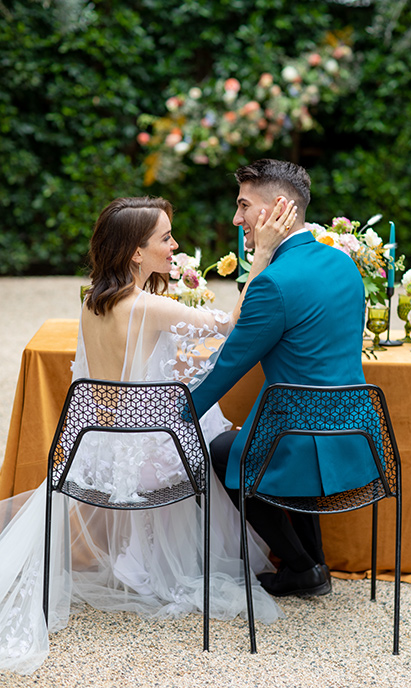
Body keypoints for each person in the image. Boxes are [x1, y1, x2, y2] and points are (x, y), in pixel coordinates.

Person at [0, 194, 297, 675]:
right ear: (136, 252)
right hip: (141, 461)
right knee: (213, 427)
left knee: (198, 414)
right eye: (166, 237)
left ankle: (137, 556)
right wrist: (261, 257)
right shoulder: (147, 305)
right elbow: (232, 325)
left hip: (95, 451)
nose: (175, 245)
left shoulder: (94, 302)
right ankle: (153, 559)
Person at [190, 159, 380, 598]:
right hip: (358, 433)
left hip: (300, 438)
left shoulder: (272, 284)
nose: (236, 219)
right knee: (276, 435)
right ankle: (313, 565)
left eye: (243, 206)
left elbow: (227, 368)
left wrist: (175, 414)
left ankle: (301, 567)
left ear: (276, 209)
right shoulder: (343, 264)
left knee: (222, 449)